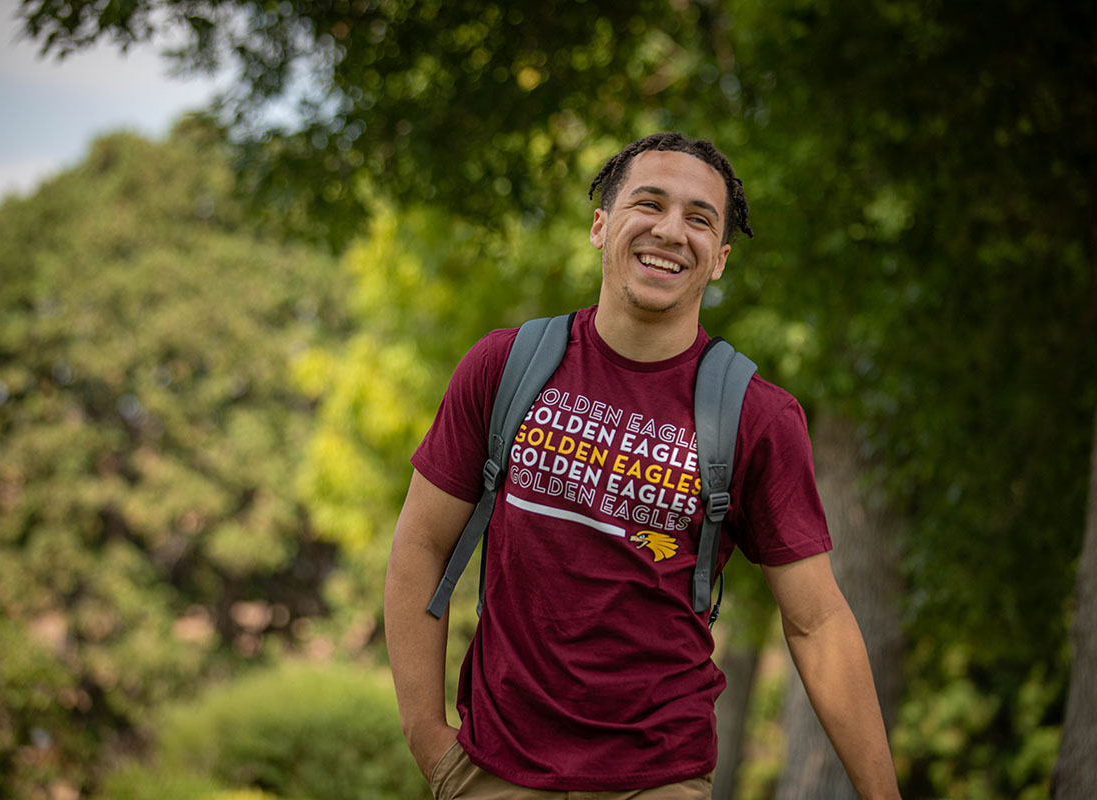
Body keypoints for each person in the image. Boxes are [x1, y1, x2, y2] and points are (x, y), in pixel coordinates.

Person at [384, 132, 901, 799]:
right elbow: (422, 543)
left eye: (699, 219)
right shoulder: (505, 366)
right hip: (494, 769)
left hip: (658, 777)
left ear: (719, 258)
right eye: (648, 203)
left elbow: (818, 621)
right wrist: (428, 736)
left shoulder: (755, 416)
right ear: (601, 225)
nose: (670, 230)